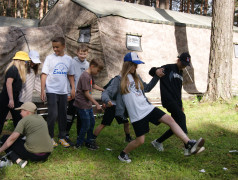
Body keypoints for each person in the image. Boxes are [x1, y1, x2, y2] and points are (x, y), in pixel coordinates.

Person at [106, 52, 204, 163]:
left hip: (147, 108)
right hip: (137, 114)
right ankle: (123, 154)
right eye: (134, 65)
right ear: (128, 64)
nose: (136, 67)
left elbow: (146, 88)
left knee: (171, 120)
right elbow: (106, 92)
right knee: (140, 140)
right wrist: (107, 101)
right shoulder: (118, 80)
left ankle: (189, 143)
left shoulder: (136, 77)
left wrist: (157, 76)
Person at [149, 52, 203, 156]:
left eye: (185, 65)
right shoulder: (168, 68)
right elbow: (151, 71)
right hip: (168, 99)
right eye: (182, 63)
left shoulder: (181, 73)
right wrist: (156, 70)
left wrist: (181, 105)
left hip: (176, 102)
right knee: (182, 117)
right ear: (178, 60)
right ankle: (188, 144)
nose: (183, 66)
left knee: (176, 125)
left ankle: (157, 142)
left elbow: (178, 90)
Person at [41, 37, 75, 148]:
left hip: (63, 92)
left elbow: (70, 75)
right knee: (52, 114)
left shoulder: (69, 59)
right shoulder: (49, 58)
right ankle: (49, 137)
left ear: (64, 46)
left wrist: (73, 89)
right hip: (51, 91)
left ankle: (61, 137)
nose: (55, 49)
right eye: (53, 47)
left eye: (57, 47)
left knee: (62, 115)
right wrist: (42, 90)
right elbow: (44, 74)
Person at [0, 102, 53, 168]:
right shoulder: (40, 118)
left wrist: (1, 150)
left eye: (21, 111)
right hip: (46, 154)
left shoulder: (24, 120)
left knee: (4, 139)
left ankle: (18, 160)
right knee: (20, 139)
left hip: (34, 155)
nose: (20, 113)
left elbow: (12, 138)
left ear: (27, 112)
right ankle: (19, 160)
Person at [73, 58, 104, 150]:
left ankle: (89, 141)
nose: (97, 73)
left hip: (87, 104)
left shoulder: (90, 75)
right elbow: (86, 93)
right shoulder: (85, 76)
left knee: (92, 122)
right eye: (97, 70)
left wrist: (104, 90)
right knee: (86, 124)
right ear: (92, 66)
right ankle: (78, 144)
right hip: (82, 104)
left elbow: (93, 85)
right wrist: (97, 104)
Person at [92, 76, 133, 144]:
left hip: (120, 107)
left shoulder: (128, 81)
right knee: (104, 124)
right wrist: (105, 101)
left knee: (126, 123)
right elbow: (105, 90)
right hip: (111, 106)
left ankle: (128, 137)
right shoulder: (114, 80)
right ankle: (92, 139)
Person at [0, 51, 30, 135]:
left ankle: (18, 136)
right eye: (25, 61)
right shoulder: (12, 69)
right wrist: (11, 99)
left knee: (17, 117)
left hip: (15, 98)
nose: (26, 63)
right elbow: (8, 84)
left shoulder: (18, 70)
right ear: (20, 61)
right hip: (6, 98)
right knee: (1, 118)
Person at [65, 44, 89, 145]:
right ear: (77, 52)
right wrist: (71, 90)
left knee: (81, 116)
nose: (82, 55)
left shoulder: (87, 64)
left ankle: (80, 135)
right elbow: (70, 77)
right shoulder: (73, 62)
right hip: (74, 93)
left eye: (84, 53)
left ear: (87, 53)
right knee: (70, 114)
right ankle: (65, 134)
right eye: (80, 53)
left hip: (83, 95)